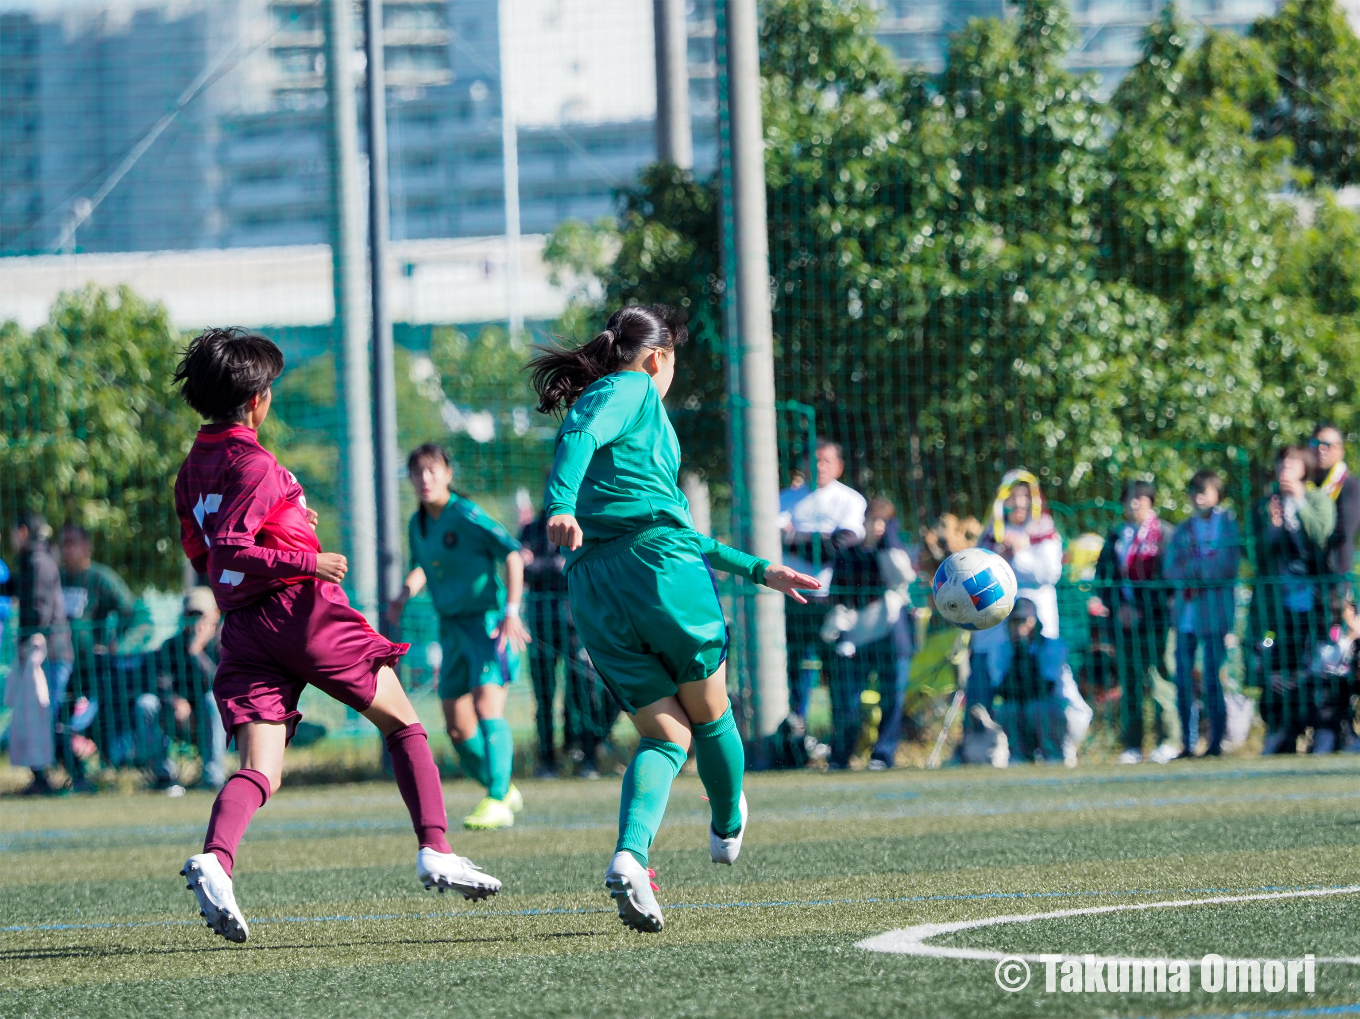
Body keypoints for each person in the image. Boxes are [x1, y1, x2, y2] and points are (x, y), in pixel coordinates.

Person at [171, 327, 500, 944]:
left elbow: (206, 553)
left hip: (245, 630)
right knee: (404, 724)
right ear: (259, 398)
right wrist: (306, 560)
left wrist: (290, 525)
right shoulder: (257, 461)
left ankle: (217, 858)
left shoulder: (193, 469)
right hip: (302, 612)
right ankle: (435, 848)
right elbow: (233, 552)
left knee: (260, 768)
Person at [529, 304, 817, 933]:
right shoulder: (630, 387)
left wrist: (757, 569)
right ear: (658, 358)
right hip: (656, 571)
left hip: (595, 587)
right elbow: (579, 432)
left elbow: (675, 525)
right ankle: (726, 822)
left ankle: (632, 857)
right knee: (712, 716)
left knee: (666, 736)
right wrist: (559, 503)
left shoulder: (626, 412)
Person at [386, 444, 530, 830]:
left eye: (433, 470)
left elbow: (513, 554)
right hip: (450, 629)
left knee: (487, 708)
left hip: (486, 626)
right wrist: (403, 594)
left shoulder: (466, 514)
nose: (425, 478)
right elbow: (423, 566)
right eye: (418, 472)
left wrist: (511, 611)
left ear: (448, 473)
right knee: (456, 727)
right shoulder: (418, 524)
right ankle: (501, 786)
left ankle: (498, 798)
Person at [819, 497, 915, 770]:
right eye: (874, 519)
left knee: (893, 697)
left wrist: (888, 545)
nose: (879, 526)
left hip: (892, 636)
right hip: (858, 637)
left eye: (885, 521)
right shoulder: (848, 555)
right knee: (847, 701)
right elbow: (838, 595)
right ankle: (840, 756)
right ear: (863, 521)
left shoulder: (894, 553)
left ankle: (882, 755)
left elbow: (901, 578)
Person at [967, 471, 1063, 741]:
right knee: (987, 683)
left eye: (1024, 496)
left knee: (1039, 688)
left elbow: (1049, 573)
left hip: (1036, 627)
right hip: (995, 629)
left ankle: (1046, 743)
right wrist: (997, 557)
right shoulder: (991, 534)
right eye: (1013, 496)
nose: (1019, 503)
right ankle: (980, 744)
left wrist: (1020, 553)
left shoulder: (1044, 530)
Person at [1091, 480, 1182, 765]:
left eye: (1140, 498)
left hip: (1156, 621)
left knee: (1159, 680)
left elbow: (1170, 580)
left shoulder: (1164, 534)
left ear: (1151, 502)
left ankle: (1169, 740)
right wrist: (1118, 608)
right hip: (1124, 621)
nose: (1134, 503)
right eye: (1130, 497)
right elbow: (1104, 579)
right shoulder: (1116, 536)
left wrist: (1143, 609)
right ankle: (1132, 744)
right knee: (1130, 682)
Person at [520, 507, 614, 779]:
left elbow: (578, 566)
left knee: (583, 693)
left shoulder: (582, 523)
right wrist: (555, 565)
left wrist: (541, 564)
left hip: (576, 625)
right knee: (544, 697)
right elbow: (521, 567)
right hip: (539, 627)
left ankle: (588, 757)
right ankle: (547, 760)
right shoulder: (532, 530)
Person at [1255, 444, 1336, 754]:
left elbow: (1321, 536)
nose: (1284, 468)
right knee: (1275, 663)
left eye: (1291, 463)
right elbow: (1258, 555)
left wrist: (1299, 501)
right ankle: (1282, 734)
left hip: (1313, 604)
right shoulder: (1268, 504)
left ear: (1304, 467)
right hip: (1278, 607)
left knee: (1315, 668)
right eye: (1281, 463)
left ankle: (1322, 737)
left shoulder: (1317, 499)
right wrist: (1273, 528)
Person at [778, 439, 867, 721]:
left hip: (833, 599)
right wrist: (823, 540)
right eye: (813, 459)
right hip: (792, 597)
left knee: (838, 668)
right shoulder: (784, 499)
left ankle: (841, 737)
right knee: (795, 667)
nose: (819, 466)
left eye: (826, 460)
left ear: (839, 466)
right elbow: (777, 537)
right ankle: (796, 734)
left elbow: (843, 544)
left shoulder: (851, 500)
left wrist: (797, 538)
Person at [1163, 471, 1241, 757]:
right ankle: (1188, 742)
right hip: (1186, 613)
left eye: (1205, 491)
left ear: (1216, 494)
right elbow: (1171, 568)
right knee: (1183, 678)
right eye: (1194, 491)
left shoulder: (1227, 525)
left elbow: (1226, 566)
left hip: (1216, 613)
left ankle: (1216, 741)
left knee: (1211, 677)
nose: (1199, 497)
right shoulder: (1183, 530)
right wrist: (1195, 572)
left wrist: (1196, 571)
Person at [59, 523, 140, 789]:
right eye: (63, 543)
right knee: (57, 719)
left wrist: (117, 643)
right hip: (60, 663)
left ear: (87, 546)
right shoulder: (57, 578)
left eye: (72, 542)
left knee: (87, 720)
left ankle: (101, 770)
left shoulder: (100, 578)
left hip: (91, 669)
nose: (66, 549)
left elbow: (131, 612)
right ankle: (76, 775)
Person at [3, 514, 73, 795]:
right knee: (37, 717)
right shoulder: (32, 561)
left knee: (46, 715)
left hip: (48, 653)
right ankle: (43, 776)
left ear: (22, 531)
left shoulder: (38, 562)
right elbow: (18, 589)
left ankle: (72, 773)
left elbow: (39, 610)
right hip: (44, 652)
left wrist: (28, 641)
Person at [140, 587, 228, 790]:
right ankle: (163, 776)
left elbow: (222, 684)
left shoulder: (227, 642)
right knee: (145, 704)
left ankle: (213, 777)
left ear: (215, 615)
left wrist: (196, 651)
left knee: (211, 701)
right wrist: (175, 702)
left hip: (217, 718)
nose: (196, 622)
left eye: (201, 615)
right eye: (191, 615)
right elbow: (159, 683)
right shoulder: (170, 646)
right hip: (177, 715)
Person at [989, 598, 1071, 763]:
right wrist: (1017, 655)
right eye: (1014, 621)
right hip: (1023, 710)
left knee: (1038, 709)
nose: (1020, 627)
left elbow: (1045, 686)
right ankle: (1018, 755)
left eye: (1024, 620)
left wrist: (1026, 654)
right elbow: (1002, 689)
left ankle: (1056, 754)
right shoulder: (1001, 649)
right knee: (1007, 710)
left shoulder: (1052, 646)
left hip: (1060, 712)